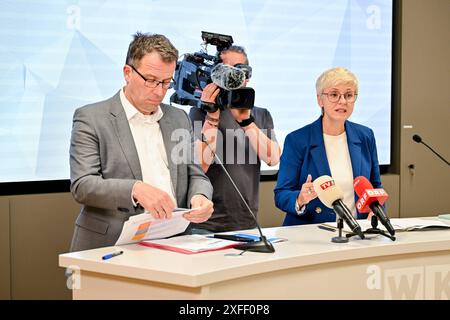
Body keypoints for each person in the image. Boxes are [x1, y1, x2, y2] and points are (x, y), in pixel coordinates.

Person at [69, 32, 213, 251]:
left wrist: (200, 196)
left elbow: (195, 174)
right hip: (110, 245)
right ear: (128, 72)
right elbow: (83, 185)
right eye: (150, 80)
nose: (158, 92)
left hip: (172, 242)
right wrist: (135, 189)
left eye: (166, 82)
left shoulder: (178, 118)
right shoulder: (92, 118)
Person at [188, 45, 280, 233]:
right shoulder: (199, 112)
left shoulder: (260, 115)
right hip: (206, 224)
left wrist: (246, 121)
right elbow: (201, 166)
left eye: (239, 70)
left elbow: (272, 159)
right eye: (226, 70)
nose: (233, 76)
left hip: (248, 222)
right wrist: (212, 115)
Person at [274, 67, 382, 226]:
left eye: (349, 95)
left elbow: (375, 186)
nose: (343, 101)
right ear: (320, 100)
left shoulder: (365, 136)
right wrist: (300, 198)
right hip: (311, 234)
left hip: (357, 232)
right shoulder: (297, 140)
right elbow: (281, 194)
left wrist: (376, 210)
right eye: (334, 94)